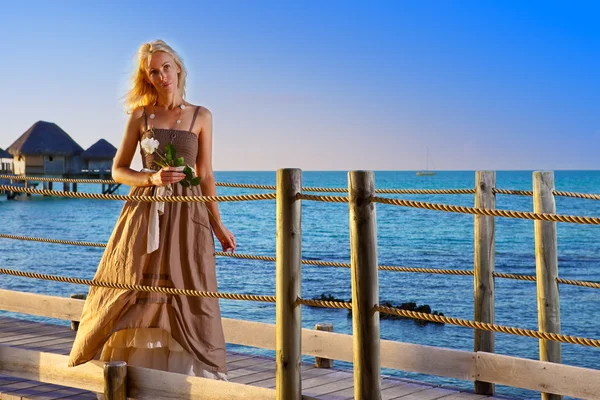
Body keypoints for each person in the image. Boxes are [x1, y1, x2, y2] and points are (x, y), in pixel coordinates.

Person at [68, 39, 235, 380]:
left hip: (188, 215)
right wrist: (152, 177)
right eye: (153, 72)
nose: (162, 77)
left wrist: (218, 225)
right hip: (145, 212)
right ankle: (133, 374)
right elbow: (117, 170)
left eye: (166, 68)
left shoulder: (202, 116)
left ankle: (185, 376)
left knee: (188, 286)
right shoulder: (140, 115)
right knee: (134, 283)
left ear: (178, 68)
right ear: (148, 77)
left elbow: (205, 174)